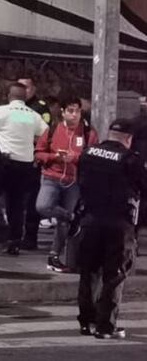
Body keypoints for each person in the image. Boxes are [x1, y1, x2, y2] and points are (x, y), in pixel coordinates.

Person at [76, 118, 147, 339]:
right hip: (118, 224)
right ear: (129, 139)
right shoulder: (130, 159)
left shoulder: (88, 153)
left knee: (89, 273)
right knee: (114, 275)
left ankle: (86, 322)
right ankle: (105, 326)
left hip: (90, 220)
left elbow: (81, 183)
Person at [0, 82, 49, 255]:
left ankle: (2, 231)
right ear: (24, 97)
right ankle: (15, 241)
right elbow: (45, 133)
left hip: (4, 161)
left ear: (9, 96)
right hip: (25, 164)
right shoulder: (32, 115)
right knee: (16, 204)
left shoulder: (2, 111)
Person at [35, 96, 96, 273]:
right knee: (43, 206)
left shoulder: (88, 132)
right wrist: (55, 157)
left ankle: (54, 255)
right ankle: (72, 217)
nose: (74, 114)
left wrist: (74, 158)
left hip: (73, 180)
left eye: (77, 110)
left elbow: (91, 155)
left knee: (63, 223)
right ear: (63, 112)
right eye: (70, 110)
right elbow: (39, 153)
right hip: (51, 177)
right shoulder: (53, 130)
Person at [17, 77, 51, 250]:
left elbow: (45, 135)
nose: (23, 90)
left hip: (32, 160)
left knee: (32, 200)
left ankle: (30, 236)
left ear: (33, 89)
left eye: (26, 87)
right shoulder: (14, 107)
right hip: (16, 159)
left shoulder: (39, 108)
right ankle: (13, 235)